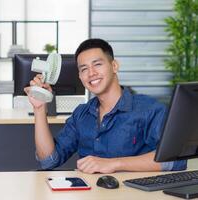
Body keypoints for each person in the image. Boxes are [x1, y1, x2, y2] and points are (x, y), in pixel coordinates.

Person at [24, 38, 187, 174]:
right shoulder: (81, 114)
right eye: (84, 69)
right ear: (80, 77)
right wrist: (39, 109)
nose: (91, 73)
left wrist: (114, 164)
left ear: (114, 66)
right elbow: (49, 161)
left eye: (97, 64)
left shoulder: (149, 109)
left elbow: (174, 161)